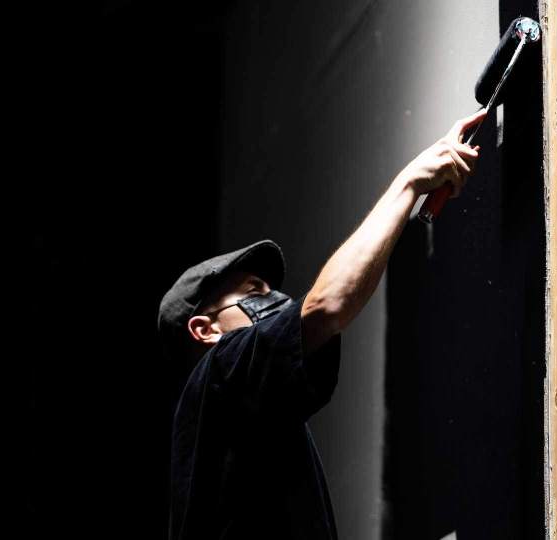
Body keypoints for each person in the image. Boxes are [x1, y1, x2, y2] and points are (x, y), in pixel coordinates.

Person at [158, 109, 486, 540]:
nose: (276, 300)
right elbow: (327, 306)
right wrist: (410, 182)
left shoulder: (245, 419)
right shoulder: (221, 372)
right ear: (205, 329)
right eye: (254, 292)